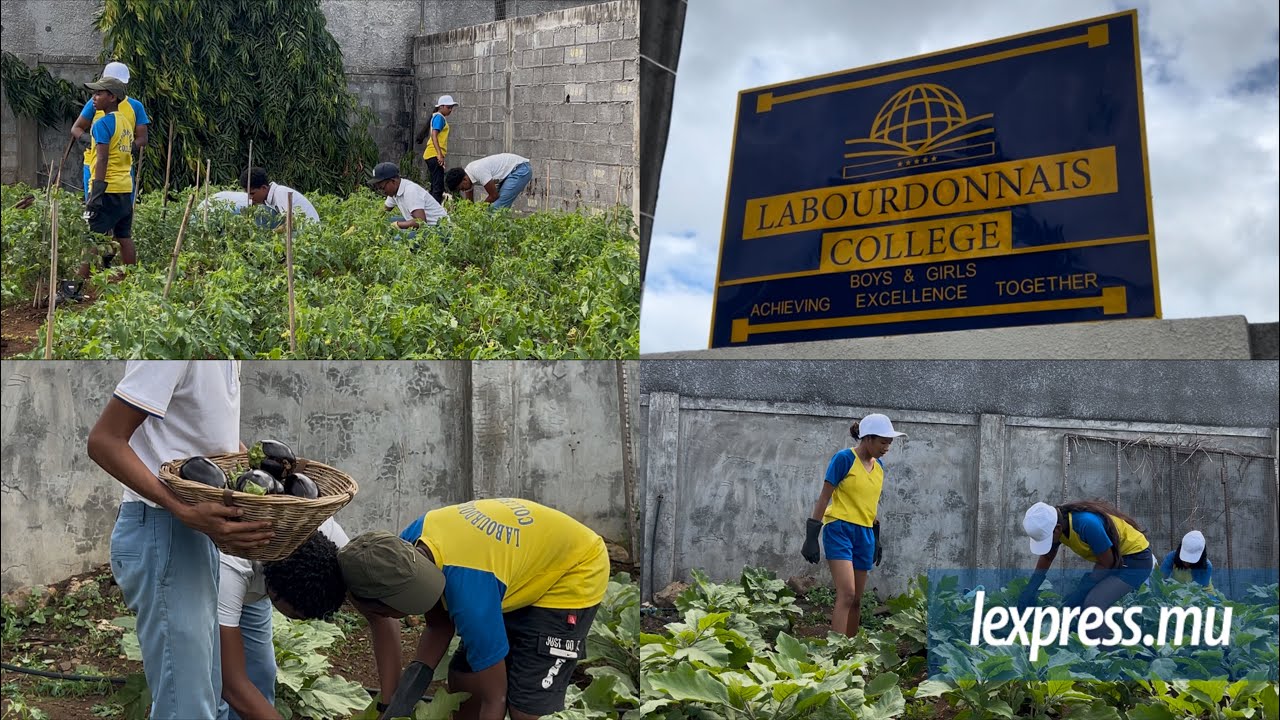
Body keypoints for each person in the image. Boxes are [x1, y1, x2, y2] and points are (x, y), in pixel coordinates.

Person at [264, 498, 609, 720]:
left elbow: (496, 699)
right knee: (463, 681)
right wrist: (398, 703)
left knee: (525, 709)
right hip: (511, 570)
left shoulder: (468, 598)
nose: (410, 617)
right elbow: (439, 625)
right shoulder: (399, 550)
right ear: (375, 608)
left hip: (572, 571)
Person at [86, 361, 274, 719]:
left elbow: (210, 441)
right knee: (187, 709)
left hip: (198, 531)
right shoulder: (174, 350)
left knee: (208, 701)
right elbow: (103, 440)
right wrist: (179, 508)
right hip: (166, 530)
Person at [218, 519, 349, 720]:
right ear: (277, 593)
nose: (301, 620)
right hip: (201, 582)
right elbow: (231, 684)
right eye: (297, 615)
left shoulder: (329, 537)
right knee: (208, 687)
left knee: (260, 673)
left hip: (254, 591)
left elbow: (378, 609)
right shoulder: (232, 567)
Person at [801, 414, 904, 637]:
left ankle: (851, 650)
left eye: (890, 443)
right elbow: (824, 497)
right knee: (846, 594)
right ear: (867, 438)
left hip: (865, 533)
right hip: (839, 529)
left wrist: (875, 537)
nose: (886, 447)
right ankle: (835, 651)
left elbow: (869, 504)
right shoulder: (844, 459)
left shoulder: (880, 467)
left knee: (857, 599)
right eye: (883, 442)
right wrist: (811, 536)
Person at [62, 75, 139, 303]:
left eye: (99, 94)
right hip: (125, 188)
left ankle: (74, 288)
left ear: (112, 97)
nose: (94, 98)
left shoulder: (103, 124)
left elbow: (103, 160)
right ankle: (133, 281)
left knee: (91, 238)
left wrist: (95, 195)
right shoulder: (124, 122)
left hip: (107, 189)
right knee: (124, 236)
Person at [1019, 500, 1154, 613]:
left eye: (1047, 539)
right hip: (1115, 560)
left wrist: (1082, 589)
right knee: (1079, 608)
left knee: (1093, 604)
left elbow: (1108, 563)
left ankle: (1108, 645)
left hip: (1135, 559)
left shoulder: (1086, 524)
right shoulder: (1059, 525)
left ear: (1058, 529)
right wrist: (1031, 587)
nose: (1048, 544)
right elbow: (1047, 557)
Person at [71, 62, 148, 206]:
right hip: (93, 164)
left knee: (121, 211)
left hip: (121, 168)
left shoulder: (135, 107)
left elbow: (143, 138)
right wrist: (91, 141)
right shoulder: (96, 103)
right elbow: (77, 128)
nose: (95, 96)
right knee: (95, 207)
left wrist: (123, 148)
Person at [370, 161, 448, 230]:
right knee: (386, 222)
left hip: (439, 229)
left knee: (398, 239)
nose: (382, 191)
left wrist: (397, 225)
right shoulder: (394, 192)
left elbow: (420, 222)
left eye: (382, 188)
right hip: (426, 226)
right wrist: (371, 222)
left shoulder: (410, 191)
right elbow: (383, 210)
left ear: (393, 181)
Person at [445, 153, 533, 210]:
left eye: (462, 188)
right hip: (509, 174)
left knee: (495, 209)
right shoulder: (467, 177)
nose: (463, 191)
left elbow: (494, 196)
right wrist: (469, 213)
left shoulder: (477, 170)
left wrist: (479, 209)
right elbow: (470, 204)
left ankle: (497, 237)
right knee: (499, 207)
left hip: (520, 169)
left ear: (464, 180)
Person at [417, 94, 459, 203]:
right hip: (434, 154)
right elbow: (434, 136)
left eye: (451, 108)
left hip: (431, 154)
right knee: (438, 187)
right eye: (448, 107)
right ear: (441, 107)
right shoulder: (439, 117)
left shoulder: (437, 117)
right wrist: (439, 155)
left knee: (435, 185)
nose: (450, 110)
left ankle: (429, 209)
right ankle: (435, 213)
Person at [240, 167, 320, 225]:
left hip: (310, 234)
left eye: (252, 193)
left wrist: (273, 233)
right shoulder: (268, 199)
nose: (250, 197)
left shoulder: (280, 193)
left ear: (264, 188)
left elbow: (292, 222)